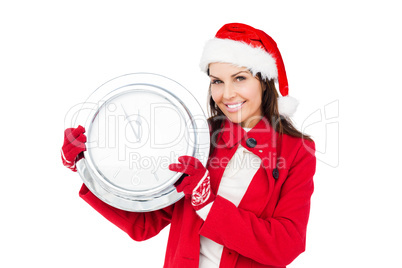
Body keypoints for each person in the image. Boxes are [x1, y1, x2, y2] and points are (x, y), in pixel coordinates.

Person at [61, 23, 316, 268]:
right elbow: (145, 223)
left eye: (239, 78)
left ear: (265, 81)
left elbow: (287, 244)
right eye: (217, 81)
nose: (226, 94)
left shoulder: (296, 151)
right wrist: (88, 167)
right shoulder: (197, 136)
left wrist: (208, 204)